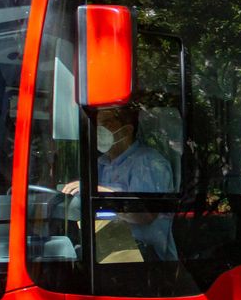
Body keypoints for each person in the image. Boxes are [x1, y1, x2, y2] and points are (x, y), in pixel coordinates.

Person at [64, 104, 177, 261]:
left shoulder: (147, 162)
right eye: (97, 124)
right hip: (107, 244)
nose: (99, 130)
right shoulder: (101, 163)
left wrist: (98, 192)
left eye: (106, 123)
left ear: (126, 130)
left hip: (144, 257)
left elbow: (145, 215)